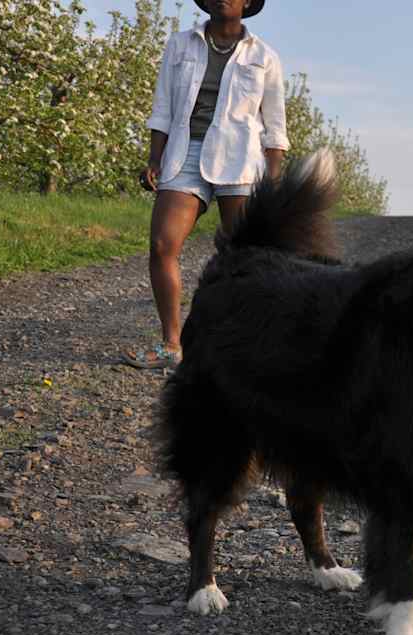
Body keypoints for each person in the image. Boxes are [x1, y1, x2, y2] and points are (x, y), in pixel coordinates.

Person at [123, 0, 288, 369]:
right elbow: (162, 107)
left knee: (248, 258)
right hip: (185, 153)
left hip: (241, 160)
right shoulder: (180, 45)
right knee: (162, 243)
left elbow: (275, 130)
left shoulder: (265, 57)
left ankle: (252, 344)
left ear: (247, 3)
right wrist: (155, 157)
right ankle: (172, 344)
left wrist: (272, 184)